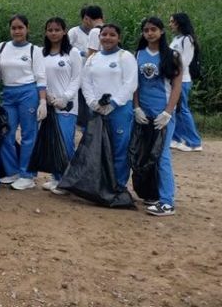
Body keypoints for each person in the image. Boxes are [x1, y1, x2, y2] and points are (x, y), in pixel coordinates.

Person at [133, 17, 182, 216]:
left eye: (153, 29)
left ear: (161, 31)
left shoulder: (172, 55)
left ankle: (167, 201)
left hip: (163, 114)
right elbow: (135, 85)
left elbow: (177, 86)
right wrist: (136, 107)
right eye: (146, 30)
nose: (149, 33)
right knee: (143, 154)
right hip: (144, 113)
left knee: (162, 156)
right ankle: (150, 194)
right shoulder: (138, 55)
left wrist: (168, 112)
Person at [81, 24, 138, 190]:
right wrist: (92, 102)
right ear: (99, 38)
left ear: (119, 38)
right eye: (104, 34)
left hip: (119, 110)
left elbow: (130, 83)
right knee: (96, 148)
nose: (107, 38)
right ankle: (98, 184)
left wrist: (113, 104)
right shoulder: (93, 58)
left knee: (119, 148)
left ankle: (118, 186)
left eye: (112, 35)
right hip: (96, 110)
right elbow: (86, 81)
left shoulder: (125, 57)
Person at [0, 15, 47, 191]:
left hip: (28, 93)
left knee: (28, 135)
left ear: (27, 29)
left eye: (20, 28)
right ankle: (12, 171)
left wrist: (42, 101)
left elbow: (41, 77)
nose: (17, 31)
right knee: (5, 134)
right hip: (8, 93)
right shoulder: (2, 47)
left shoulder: (35, 50)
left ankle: (27, 174)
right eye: (14, 28)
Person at [41, 17, 82, 194]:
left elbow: (77, 78)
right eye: (50, 30)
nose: (53, 33)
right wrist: (47, 97)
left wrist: (64, 98)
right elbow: (40, 77)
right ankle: (57, 177)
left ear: (64, 31)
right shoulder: (42, 53)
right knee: (52, 142)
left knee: (65, 143)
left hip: (67, 106)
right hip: (49, 104)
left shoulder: (72, 53)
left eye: (57, 30)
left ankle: (69, 180)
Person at [169, 13, 203, 152]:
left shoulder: (187, 40)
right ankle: (176, 138)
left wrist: (174, 73)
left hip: (182, 79)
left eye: (172, 22)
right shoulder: (177, 38)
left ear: (179, 23)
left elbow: (185, 61)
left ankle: (194, 141)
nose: (170, 24)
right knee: (175, 110)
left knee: (182, 109)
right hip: (174, 78)